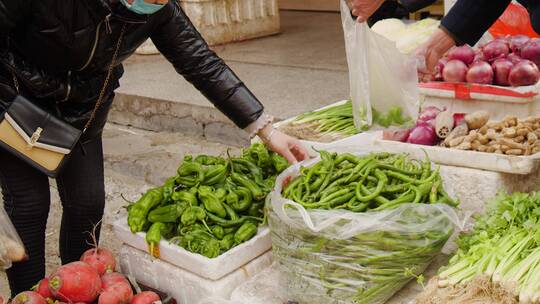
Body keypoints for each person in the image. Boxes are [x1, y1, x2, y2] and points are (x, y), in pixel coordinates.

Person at [0, 0, 308, 295]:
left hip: (84, 109)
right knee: (29, 204)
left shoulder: (158, 10)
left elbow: (200, 62)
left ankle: (77, 289)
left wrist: (265, 129)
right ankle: (27, 295)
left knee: (87, 204)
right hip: (17, 104)